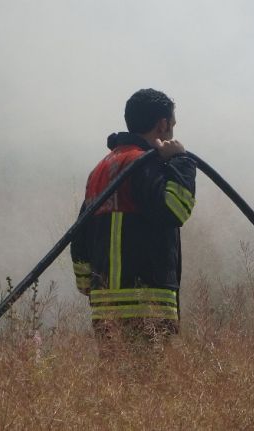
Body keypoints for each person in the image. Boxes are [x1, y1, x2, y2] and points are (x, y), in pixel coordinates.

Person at [70, 88, 196, 352]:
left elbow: (79, 236)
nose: (172, 131)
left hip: (105, 310)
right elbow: (176, 210)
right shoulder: (146, 164)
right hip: (146, 304)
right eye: (172, 125)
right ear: (162, 125)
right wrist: (181, 162)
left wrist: (89, 285)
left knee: (117, 387)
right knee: (151, 388)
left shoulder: (102, 168)